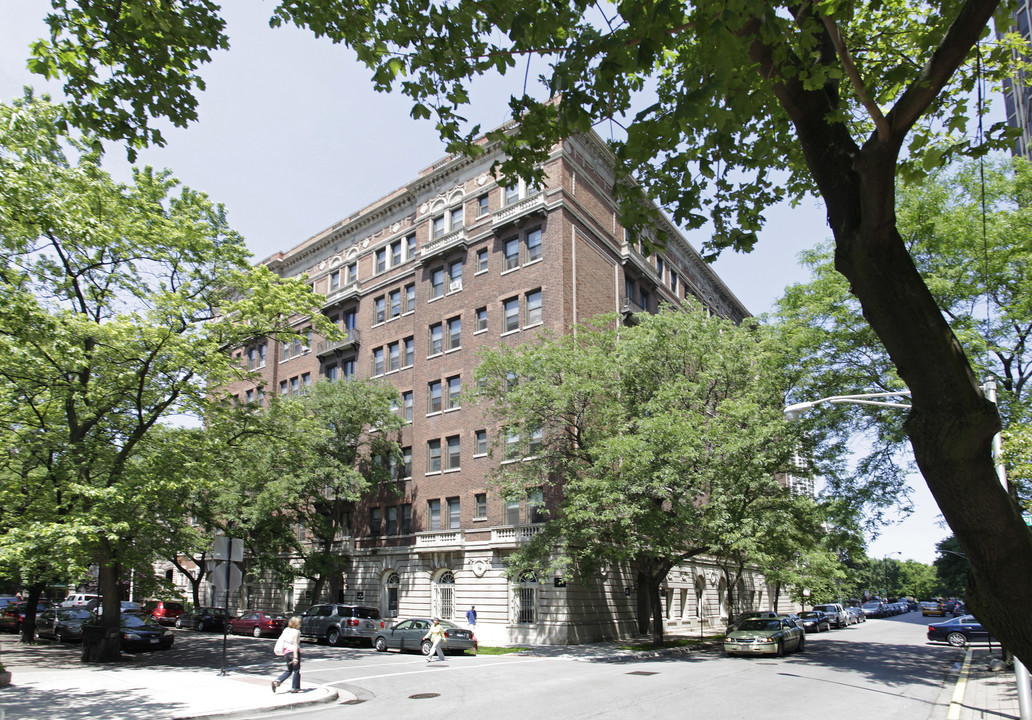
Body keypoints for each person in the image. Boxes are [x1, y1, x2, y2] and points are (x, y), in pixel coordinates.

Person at [272, 616, 302, 693]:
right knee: (296, 670)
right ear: (296, 624)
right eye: (299, 623)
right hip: (294, 652)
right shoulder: (296, 632)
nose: (300, 624)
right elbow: (295, 644)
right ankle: (295, 688)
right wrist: (295, 657)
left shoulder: (286, 630)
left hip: (287, 652)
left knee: (289, 670)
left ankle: (277, 681)